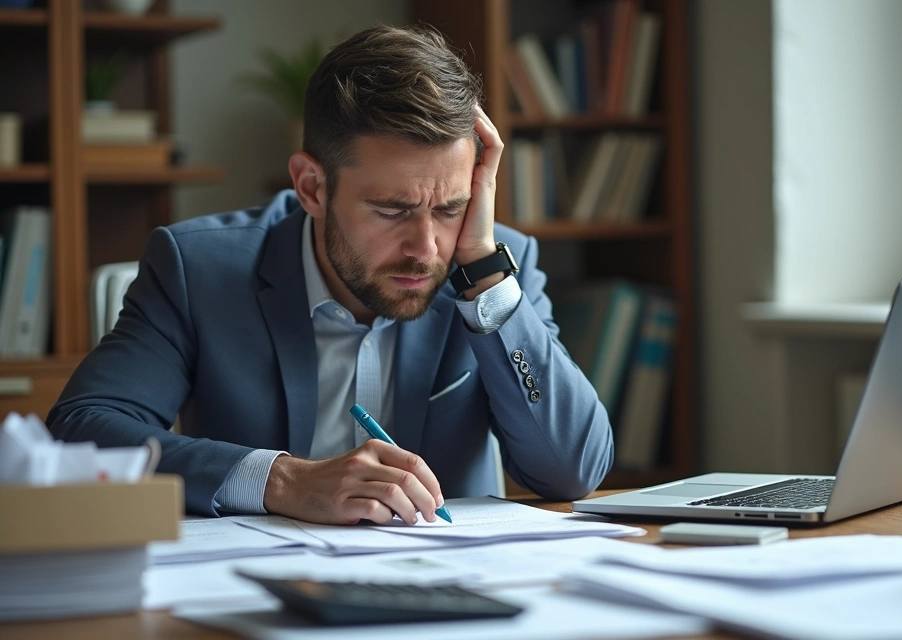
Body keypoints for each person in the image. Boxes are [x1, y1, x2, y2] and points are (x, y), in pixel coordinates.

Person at [48, 25, 613, 524]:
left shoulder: (490, 267)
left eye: (449, 208)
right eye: (392, 210)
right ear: (312, 188)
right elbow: (80, 431)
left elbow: (572, 473)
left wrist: (486, 277)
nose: (425, 248)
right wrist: (284, 481)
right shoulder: (196, 267)